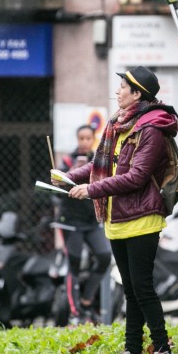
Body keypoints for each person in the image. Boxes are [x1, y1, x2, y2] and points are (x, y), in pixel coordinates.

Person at [59, 66, 178, 354]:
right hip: (117, 218)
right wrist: (67, 178)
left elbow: (137, 177)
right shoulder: (117, 123)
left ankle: (163, 348)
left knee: (142, 287)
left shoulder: (151, 127)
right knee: (130, 288)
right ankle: (133, 349)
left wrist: (91, 190)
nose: (118, 91)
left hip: (142, 217)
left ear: (138, 93)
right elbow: (102, 164)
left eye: (123, 86)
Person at [52, 124, 113, 325]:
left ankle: (87, 300)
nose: (85, 142)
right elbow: (56, 189)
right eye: (81, 138)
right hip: (70, 222)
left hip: (91, 220)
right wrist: (70, 173)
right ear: (77, 140)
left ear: (93, 139)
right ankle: (74, 311)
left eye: (88, 138)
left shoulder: (99, 160)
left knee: (104, 256)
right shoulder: (67, 161)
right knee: (74, 263)